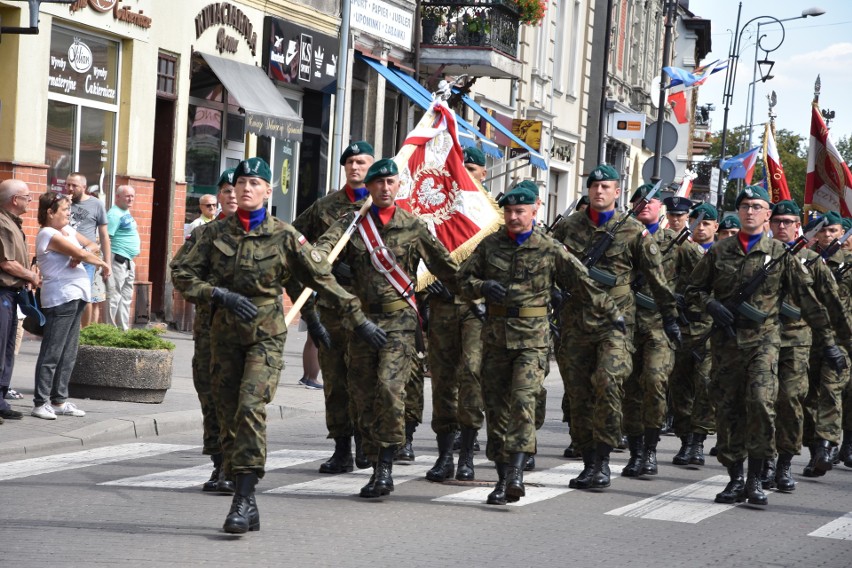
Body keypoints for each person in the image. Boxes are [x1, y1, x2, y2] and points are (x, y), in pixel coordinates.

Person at [172, 157, 386, 533]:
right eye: (242, 183)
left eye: (256, 183)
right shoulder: (212, 235)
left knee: (250, 407)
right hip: (223, 339)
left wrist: (358, 320)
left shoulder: (286, 236)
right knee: (227, 415)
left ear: (269, 191)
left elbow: (322, 279)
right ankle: (236, 483)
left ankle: (243, 499)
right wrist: (216, 294)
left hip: (265, 338)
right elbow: (181, 273)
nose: (247, 188)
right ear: (234, 191)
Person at [458, 181, 625, 504]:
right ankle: (502, 475)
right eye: (508, 211)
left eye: (520, 211)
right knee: (496, 409)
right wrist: (482, 285)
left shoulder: (548, 247)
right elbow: (462, 281)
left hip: (532, 342)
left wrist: (612, 312)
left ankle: (516, 474)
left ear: (535, 211)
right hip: (494, 339)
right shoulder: (490, 246)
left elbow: (582, 283)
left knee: (522, 402)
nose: (513, 217)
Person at [685, 185, 849, 507]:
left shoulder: (781, 255)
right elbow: (691, 290)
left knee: (762, 403)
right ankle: (734, 478)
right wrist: (710, 304)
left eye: (756, 206)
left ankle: (757, 477)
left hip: (764, 341)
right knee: (729, 410)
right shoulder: (720, 251)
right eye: (744, 206)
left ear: (766, 214)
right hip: (727, 344)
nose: (749, 211)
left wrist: (831, 343)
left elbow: (810, 302)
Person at [315, 158, 460, 499]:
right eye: (377, 183)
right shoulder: (351, 224)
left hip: (399, 321)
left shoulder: (414, 225)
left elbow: (446, 266)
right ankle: (368, 445)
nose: (384, 188)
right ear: (369, 187)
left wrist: (478, 292)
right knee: (361, 393)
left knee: (390, 389)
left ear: (399, 186)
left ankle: (385, 468)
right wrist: (318, 257)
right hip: (362, 321)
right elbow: (324, 248)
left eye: (390, 182)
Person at [551, 164, 680, 491]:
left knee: (608, 384)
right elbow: (544, 260)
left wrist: (670, 318)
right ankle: (589, 459)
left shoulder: (633, 231)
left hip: (616, 324)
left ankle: (604, 461)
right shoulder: (568, 227)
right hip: (575, 322)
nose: (599, 191)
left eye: (606, 186)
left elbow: (656, 278)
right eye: (594, 186)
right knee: (579, 395)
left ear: (617, 192)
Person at [292, 140, 375, 473]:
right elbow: (295, 239)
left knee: (366, 379)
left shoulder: (381, 207)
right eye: (350, 162)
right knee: (336, 381)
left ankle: (367, 443)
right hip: (331, 305)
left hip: (368, 308)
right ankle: (342, 449)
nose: (355, 168)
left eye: (362, 162)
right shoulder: (326, 206)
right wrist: (320, 263)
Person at [170, 168, 238, 494]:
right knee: (209, 397)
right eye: (226, 190)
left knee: (236, 399)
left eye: (237, 188)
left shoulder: (266, 233)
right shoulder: (202, 235)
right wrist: (208, 292)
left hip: (245, 335)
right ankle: (217, 462)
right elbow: (180, 272)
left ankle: (233, 463)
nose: (233, 195)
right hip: (209, 331)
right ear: (219, 196)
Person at [422, 146, 487, 482]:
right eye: (460, 167)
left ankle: (467, 452)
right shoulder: (436, 208)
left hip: (475, 308)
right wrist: (426, 282)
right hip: (442, 307)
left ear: (482, 174)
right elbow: (417, 249)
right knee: (443, 381)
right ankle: (445, 454)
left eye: (470, 168)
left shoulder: (492, 213)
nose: (464, 173)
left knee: (472, 375)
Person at [31, 192, 112, 420]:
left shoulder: (65, 231)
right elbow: (80, 251)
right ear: (50, 212)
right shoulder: (47, 234)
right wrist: (99, 261)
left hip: (77, 296)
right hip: (60, 297)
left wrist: (83, 254)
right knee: (52, 352)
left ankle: (59, 400)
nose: (69, 213)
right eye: (65, 210)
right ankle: (40, 402)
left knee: (69, 352)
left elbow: (91, 244)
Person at [620, 184, 679, 478]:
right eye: (638, 201)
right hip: (626, 325)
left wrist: (679, 310)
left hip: (658, 327)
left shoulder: (677, 242)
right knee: (630, 390)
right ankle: (636, 450)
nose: (644, 205)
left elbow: (701, 282)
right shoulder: (618, 237)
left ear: (661, 208)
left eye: (651, 201)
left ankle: (652, 448)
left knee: (654, 382)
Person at [801, 211, 852, 479]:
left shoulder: (849, 263)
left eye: (834, 230)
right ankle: (813, 453)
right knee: (809, 397)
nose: (829, 235)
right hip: (808, 338)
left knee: (831, 391)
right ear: (816, 234)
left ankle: (825, 446)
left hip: (839, 340)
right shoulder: (806, 262)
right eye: (824, 231)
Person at [669, 201, 718, 468]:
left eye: (706, 223)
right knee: (679, 386)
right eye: (696, 222)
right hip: (682, 328)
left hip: (709, 330)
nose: (700, 227)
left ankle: (698, 441)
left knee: (705, 384)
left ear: (715, 227)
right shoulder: (679, 252)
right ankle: (685, 437)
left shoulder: (721, 254)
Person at [0, 179, 40, 422]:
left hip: (12, 295)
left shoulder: (13, 223)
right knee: (1, 347)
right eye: (27, 196)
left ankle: (1, 399)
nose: (30, 201)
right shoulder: (2, 223)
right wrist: (31, 275)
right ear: (15, 199)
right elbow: (5, 262)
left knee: (7, 350)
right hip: (2, 293)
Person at [68, 172, 110, 327]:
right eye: (68, 185)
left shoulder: (96, 204)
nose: (70, 188)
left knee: (86, 296)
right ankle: (70, 330)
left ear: (84, 187)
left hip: (86, 257)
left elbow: (104, 236)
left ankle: (83, 334)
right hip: (65, 255)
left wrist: (107, 262)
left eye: (74, 185)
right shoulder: (62, 202)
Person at [106, 185, 140, 330]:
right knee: (114, 295)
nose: (130, 199)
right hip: (117, 259)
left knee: (126, 297)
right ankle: (110, 329)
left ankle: (123, 330)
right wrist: (106, 262)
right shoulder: (114, 214)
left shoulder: (125, 212)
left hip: (128, 260)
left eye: (132, 196)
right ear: (117, 197)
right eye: (127, 196)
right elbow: (106, 238)